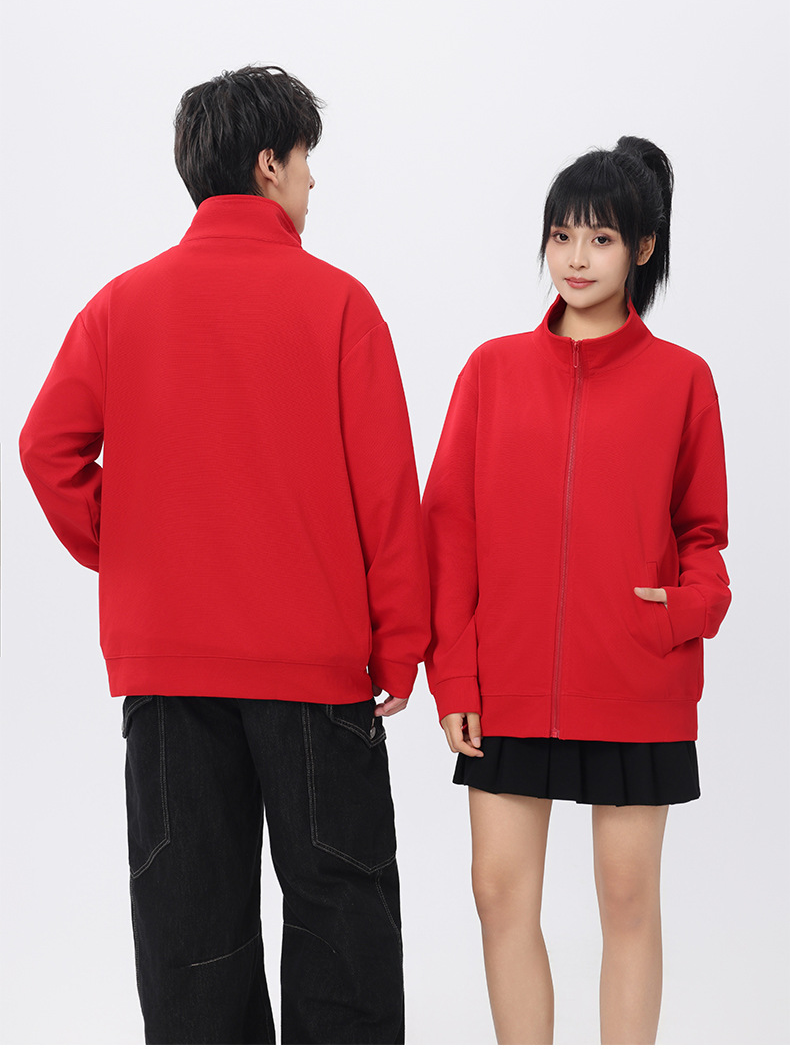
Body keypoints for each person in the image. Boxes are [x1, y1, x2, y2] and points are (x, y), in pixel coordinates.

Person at [19, 64, 430, 1045]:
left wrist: (137, 551)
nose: (313, 180)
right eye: (305, 159)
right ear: (268, 164)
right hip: (316, 673)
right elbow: (386, 494)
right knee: (342, 929)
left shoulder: (122, 305)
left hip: (169, 676)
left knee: (192, 939)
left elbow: (45, 449)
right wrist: (401, 642)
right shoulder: (340, 305)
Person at [422, 137, 730, 1045]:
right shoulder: (490, 370)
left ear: (643, 246)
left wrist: (681, 611)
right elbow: (449, 533)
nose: (576, 258)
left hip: (634, 679)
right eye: (561, 236)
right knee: (497, 892)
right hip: (508, 682)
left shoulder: (683, 380)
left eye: (599, 238)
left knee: (627, 899)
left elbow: (704, 536)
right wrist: (455, 677)